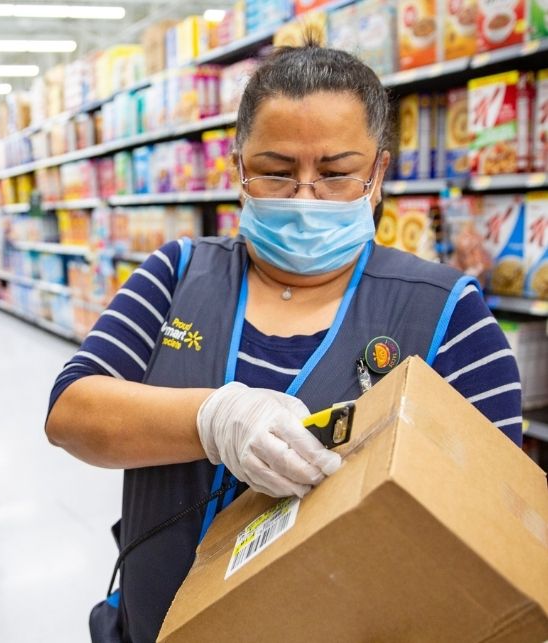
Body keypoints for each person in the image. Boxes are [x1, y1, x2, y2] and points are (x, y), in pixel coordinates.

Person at [45, 43, 522, 643]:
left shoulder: (448, 312)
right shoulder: (178, 272)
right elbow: (70, 410)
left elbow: (495, 518)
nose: (304, 196)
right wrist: (214, 418)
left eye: (335, 171)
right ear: (237, 164)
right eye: (275, 169)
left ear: (377, 171)